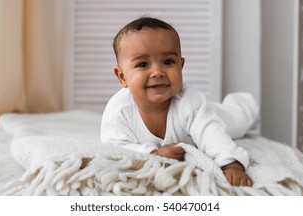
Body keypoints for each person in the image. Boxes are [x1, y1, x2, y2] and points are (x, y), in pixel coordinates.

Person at [101, 17, 254, 187]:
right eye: (143, 64)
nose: (157, 72)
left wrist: (231, 164)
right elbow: (115, 147)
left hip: (216, 117)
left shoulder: (190, 101)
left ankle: (242, 101)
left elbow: (212, 135)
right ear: (122, 77)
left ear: (181, 65)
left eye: (168, 62)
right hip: (200, 115)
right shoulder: (119, 110)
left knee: (241, 117)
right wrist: (153, 153)